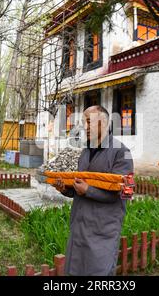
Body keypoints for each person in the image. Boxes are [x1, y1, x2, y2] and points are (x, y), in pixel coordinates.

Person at [53, 105, 134, 276]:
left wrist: (88, 190)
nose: (85, 127)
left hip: (102, 231)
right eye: (84, 122)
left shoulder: (122, 152)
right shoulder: (85, 152)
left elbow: (123, 193)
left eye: (89, 121)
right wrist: (65, 190)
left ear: (104, 122)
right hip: (80, 228)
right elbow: (78, 187)